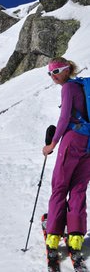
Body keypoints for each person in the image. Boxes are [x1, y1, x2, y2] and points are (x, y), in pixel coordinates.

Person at [43, 57, 90, 269]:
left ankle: (53, 236)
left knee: (60, 187)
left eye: (55, 71)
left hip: (72, 141)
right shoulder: (83, 86)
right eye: (50, 73)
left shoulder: (69, 87)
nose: (53, 76)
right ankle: (76, 238)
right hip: (89, 143)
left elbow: (63, 119)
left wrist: (52, 143)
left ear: (66, 70)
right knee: (79, 189)